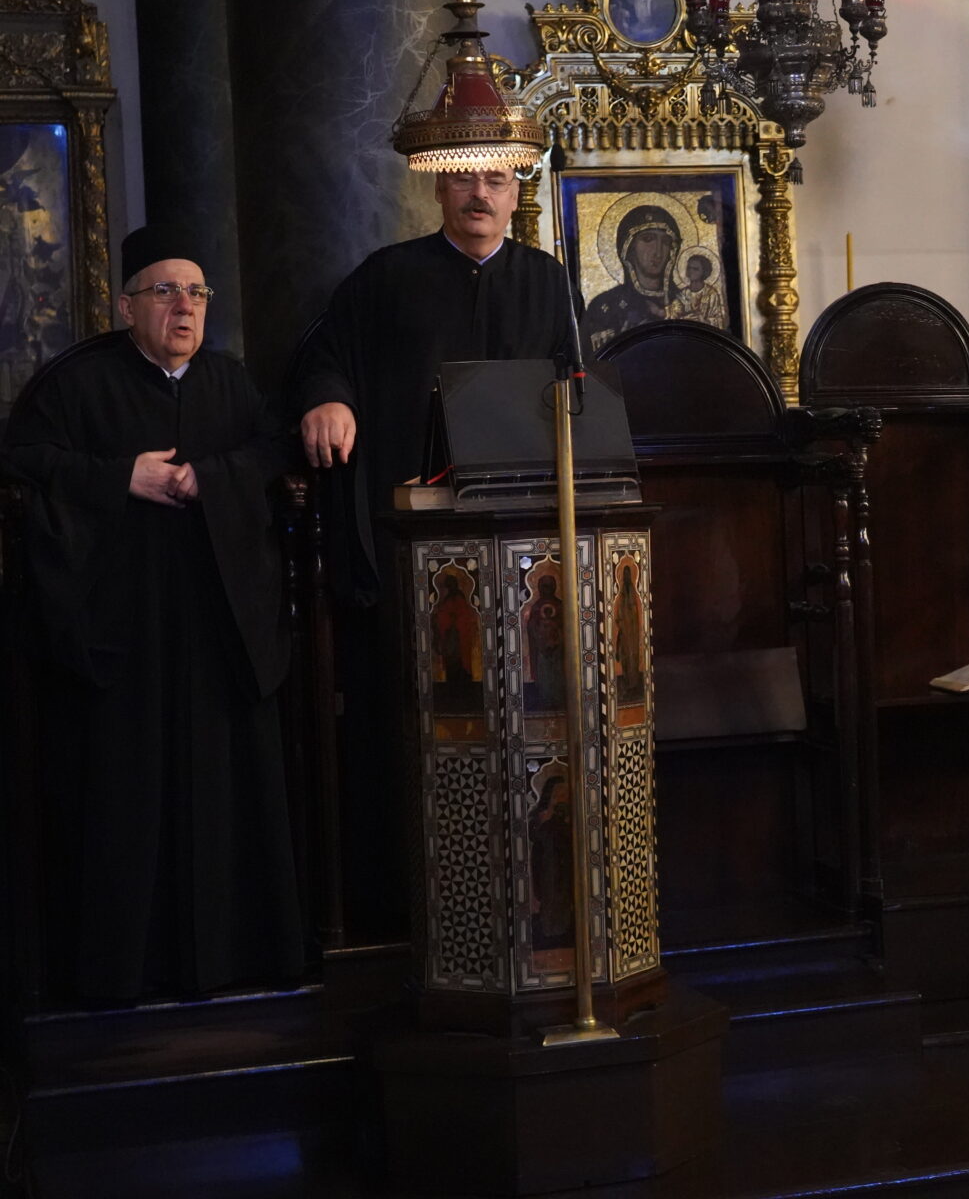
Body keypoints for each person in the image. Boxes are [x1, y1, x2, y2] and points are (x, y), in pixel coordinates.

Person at [2, 224, 304, 1001]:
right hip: (121, 628)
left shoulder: (230, 382)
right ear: (126, 305)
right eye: (165, 291)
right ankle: (120, 975)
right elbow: (22, 458)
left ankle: (236, 962)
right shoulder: (78, 384)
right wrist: (120, 478)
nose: (184, 307)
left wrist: (211, 477)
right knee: (124, 798)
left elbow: (273, 450)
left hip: (217, 624)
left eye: (196, 293)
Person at [286, 168, 575, 937]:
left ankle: (529, 918)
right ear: (440, 193)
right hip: (413, 556)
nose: (480, 195)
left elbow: (578, 393)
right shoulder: (388, 276)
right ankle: (403, 919)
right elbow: (324, 356)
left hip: (522, 558)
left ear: (516, 195)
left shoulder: (547, 282)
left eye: (496, 182)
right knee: (412, 738)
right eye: (464, 181)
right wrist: (328, 397)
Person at [583, 204, 682, 352]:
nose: (658, 252)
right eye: (648, 239)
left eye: (666, 242)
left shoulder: (684, 300)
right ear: (629, 247)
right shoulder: (606, 305)